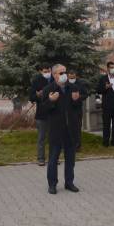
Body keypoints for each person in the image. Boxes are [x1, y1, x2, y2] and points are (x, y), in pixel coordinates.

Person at [42, 64, 82, 195]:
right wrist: (51, 100)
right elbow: (43, 109)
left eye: (65, 72)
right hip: (56, 129)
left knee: (70, 158)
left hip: (71, 129)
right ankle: (52, 184)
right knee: (53, 158)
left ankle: (69, 183)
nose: (64, 74)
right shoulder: (49, 89)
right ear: (54, 75)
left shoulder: (73, 87)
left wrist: (77, 100)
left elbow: (77, 108)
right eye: (61, 73)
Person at [96, 61, 114, 147]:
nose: (113, 69)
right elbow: (98, 90)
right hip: (107, 105)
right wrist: (105, 87)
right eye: (111, 67)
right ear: (108, 68)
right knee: (106, 124)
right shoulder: (103, 78)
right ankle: (105, 142)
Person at [29, 65, 52, 166]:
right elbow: (31, 97)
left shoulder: (55, 80)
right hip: (41, 114)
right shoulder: (36, 81)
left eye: (48, 70)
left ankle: (54, 158)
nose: (47, 72)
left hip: (54, 113)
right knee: (41, 138)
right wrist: (38, 95)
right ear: (41, 71)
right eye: (45, 71)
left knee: (54, 137)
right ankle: (41, 158)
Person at [68, 70, 88, 151]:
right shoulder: (64, 83)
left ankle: (77, 146)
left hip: (77, 109)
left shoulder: (80, 83)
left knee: (77, 127)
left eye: (73, 75)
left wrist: (78, 97)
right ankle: (68, 144)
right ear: (68, 75)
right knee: (67, 127)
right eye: (70, 75)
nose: (72, 77)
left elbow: (85, 94)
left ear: (75, 75)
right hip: (67, 108)